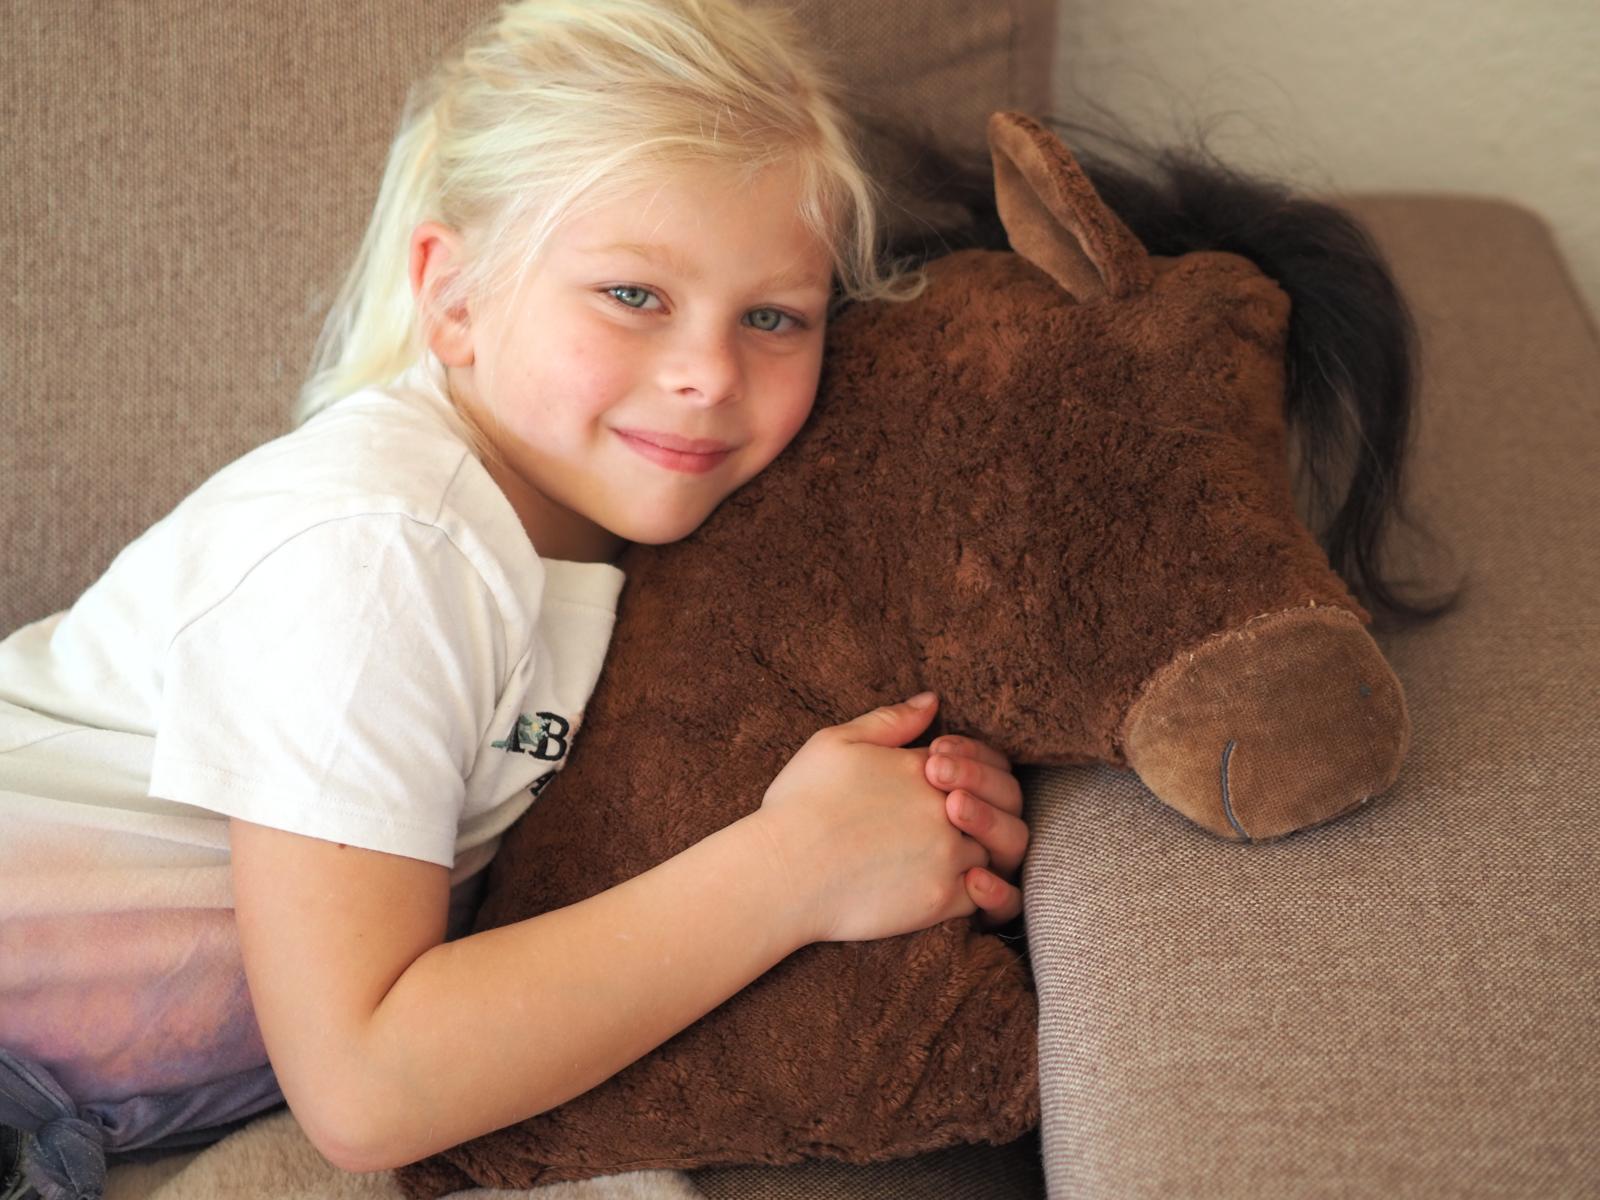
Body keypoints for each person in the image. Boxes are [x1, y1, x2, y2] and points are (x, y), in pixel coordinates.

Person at [0, 0, 1031, 1192]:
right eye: (632, 295)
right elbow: (367, 1086)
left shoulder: (636, 553)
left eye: (772, 318)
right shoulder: (387, 549)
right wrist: (796, 868)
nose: (707, 374)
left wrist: (920, 812)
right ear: (454, 296)